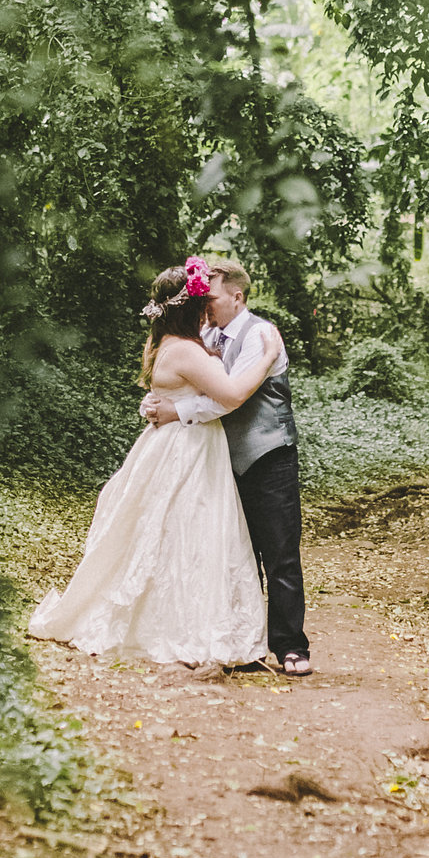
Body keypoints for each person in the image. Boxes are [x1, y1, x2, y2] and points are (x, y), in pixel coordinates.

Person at [27, 259, 269, 666]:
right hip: (187, 449)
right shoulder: (188, 351)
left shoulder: (169, 344)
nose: (210, 306)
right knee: (186, 528)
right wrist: (266, 357)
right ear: (191, 308)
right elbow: (229, 396)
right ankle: (176, 624)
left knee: (176, 530)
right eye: (204, 301)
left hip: (180, 442)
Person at [141, 250, 309, 676]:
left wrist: (177, 411)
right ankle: (243, 642)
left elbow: (228, 398)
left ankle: (291, 647)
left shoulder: (261, 337)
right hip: (217, 461)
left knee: (280, 553)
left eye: (210, 299)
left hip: (268, 455)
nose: (204, 306)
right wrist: (164, 400)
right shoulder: (205, 339)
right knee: (233, 551)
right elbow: (193, 384)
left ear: (236, 296)